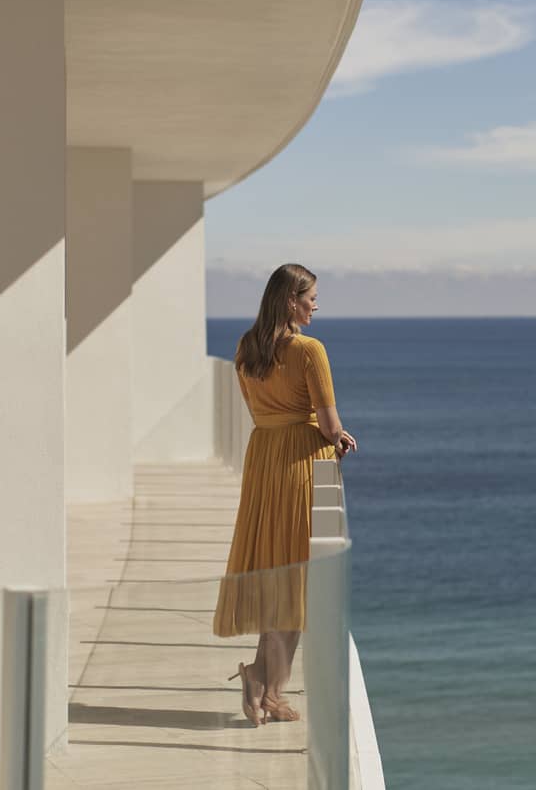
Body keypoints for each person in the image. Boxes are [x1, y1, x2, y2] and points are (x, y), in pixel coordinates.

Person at [213, 263, 358, 727]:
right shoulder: (309, 350)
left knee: (276, 572)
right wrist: (340, 438)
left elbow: (256, 407)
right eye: (311, 297)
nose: (316, 305)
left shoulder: (245, 348)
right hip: (299, 462)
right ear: (291, 300)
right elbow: (330, 423)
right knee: (296, 580)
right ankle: (270, 691)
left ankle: (261, 679)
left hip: (263, 460)